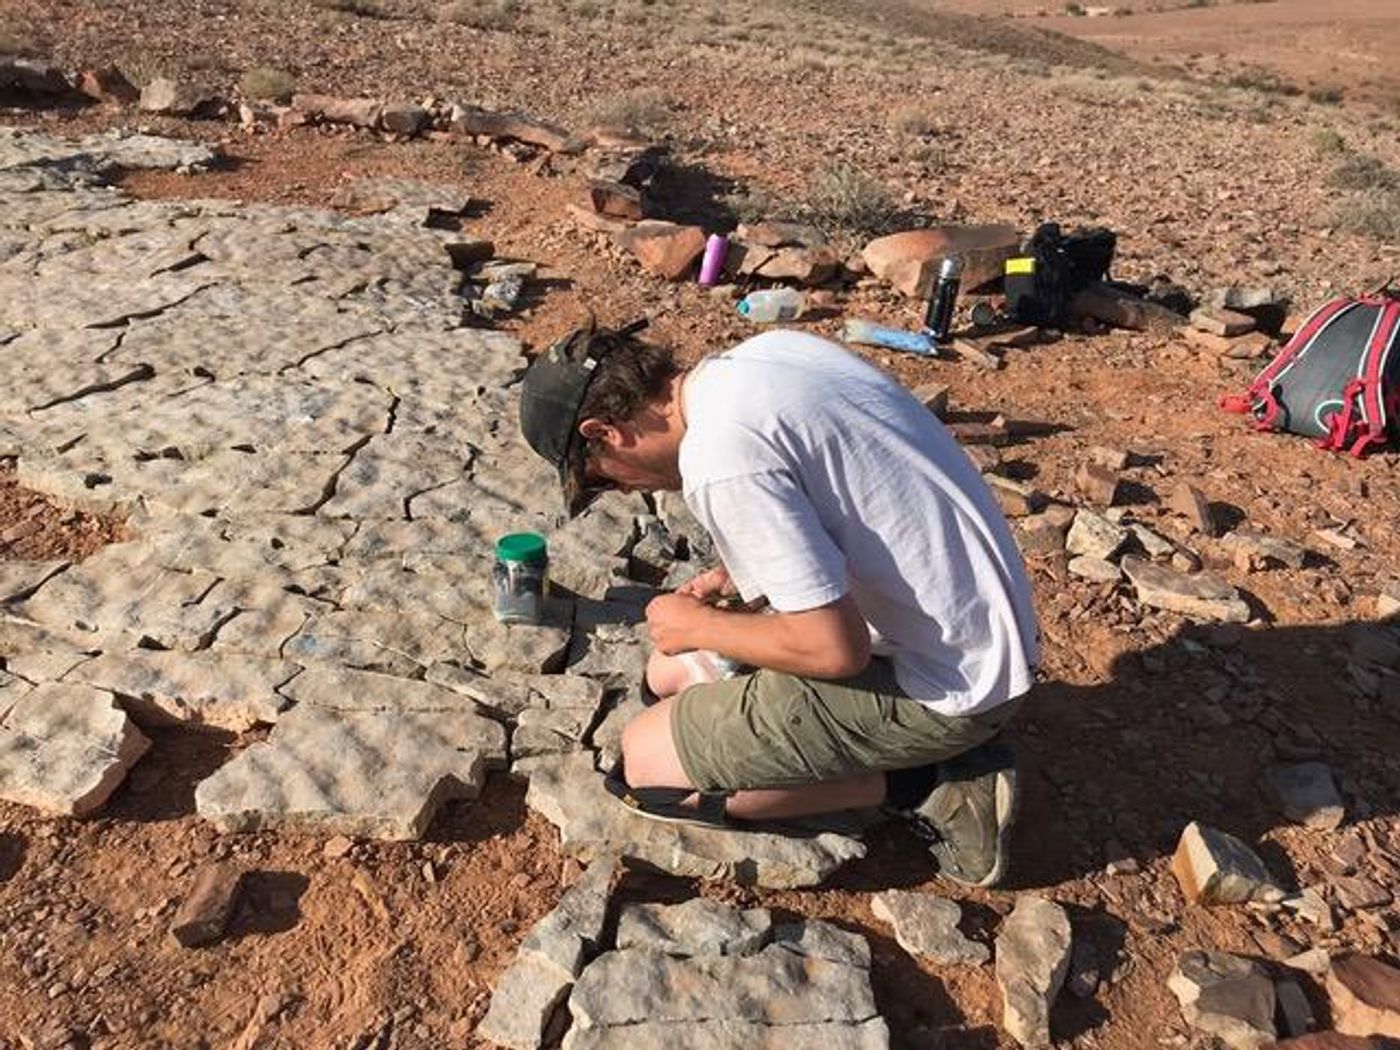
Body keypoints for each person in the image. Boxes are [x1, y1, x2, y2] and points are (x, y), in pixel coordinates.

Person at [518, 319, 1039, 888]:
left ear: (606, 432)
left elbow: (835, 650)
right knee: (669, 672)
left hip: (951, 687)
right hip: (977, 625)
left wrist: (701, 625)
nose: (623, 491)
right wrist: (738, 578)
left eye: (602, 481)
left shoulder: (721, 459)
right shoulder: (765, 357)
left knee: (647, 766)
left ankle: (938, 781)